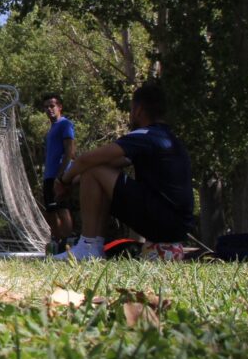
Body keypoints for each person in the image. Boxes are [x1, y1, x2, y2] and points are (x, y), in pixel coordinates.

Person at [53, 82, 194, 260]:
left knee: (93, 168)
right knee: (94, 170)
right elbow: (114, 162)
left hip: (163, 221)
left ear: (139, 110)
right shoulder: (167, 138)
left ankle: (88, 246)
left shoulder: (145, 135)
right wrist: (75, 180)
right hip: (176, 226)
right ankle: (92, 247)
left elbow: (86, 159)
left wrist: (64, 182)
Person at [40, 93, 77, 248]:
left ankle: (68, 241)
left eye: (52, 106)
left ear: (59, 107)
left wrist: (61, 175)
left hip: (60, 175)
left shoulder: (65, 124)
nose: (49, 109)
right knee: (50, 210)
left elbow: (70, 150)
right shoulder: (51, 129)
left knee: (62, 207)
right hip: (49, 176)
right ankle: (57, 241)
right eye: (46, 107)